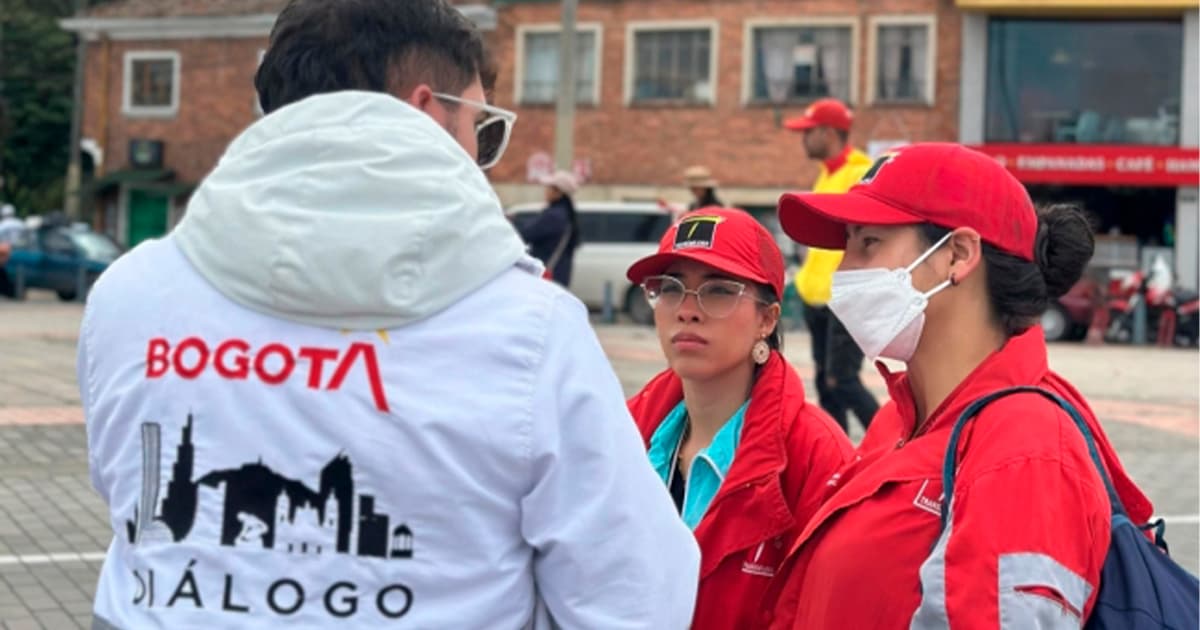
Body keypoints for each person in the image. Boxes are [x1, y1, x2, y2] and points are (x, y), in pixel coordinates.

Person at [76, 1, 699, 628]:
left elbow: (131, 497)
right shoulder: (528, 332)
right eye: (482, 130)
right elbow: (636, 594)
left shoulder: (132, 294)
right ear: (428, 112)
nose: (485, 159)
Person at [766, 143, 1154, 628]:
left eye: (868, 243)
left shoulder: (1026, 451)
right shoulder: (902, 419)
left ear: (958, 255)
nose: (844, 272)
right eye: (847, 245)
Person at [625, 208, 852, 630]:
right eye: (670, 288)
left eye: (718, 291)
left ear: (767, 319)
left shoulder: (816, 458)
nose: (687, 311)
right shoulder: (623, 433)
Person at [784, 98, 879, 434]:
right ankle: (837, 456)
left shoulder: (860, 172)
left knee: (844, 380)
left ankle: (893, 441)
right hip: (816, 298)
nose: (803, 140)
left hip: (845, 299)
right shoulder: (827, 174)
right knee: (826, 383)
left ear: (827, 133)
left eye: (807, 132)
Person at [518, 170, 580, 287]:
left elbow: (525, 233)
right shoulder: (565, 213)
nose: (545, 191)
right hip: (557, 275)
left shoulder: (554, 216)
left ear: (559, 192)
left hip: (548, 276)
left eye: (549, 188)